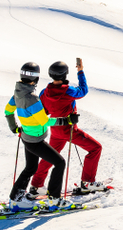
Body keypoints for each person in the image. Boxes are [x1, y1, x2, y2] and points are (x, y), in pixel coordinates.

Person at [28, 57, 104, 196]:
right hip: (69, 130)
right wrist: (80, 72)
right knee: (95, 148)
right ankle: (88, 182)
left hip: (55, 130)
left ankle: (36, 185)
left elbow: (43, 112)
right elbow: (83, 90)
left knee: (50, 157)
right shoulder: (68, 91)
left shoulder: (44, 92)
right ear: (65, 74)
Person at [4, 62, 66, 206]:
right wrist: (65, 120)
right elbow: (45, 121)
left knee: (31, 168)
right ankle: (55, 200)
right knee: (59, 163)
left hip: (27, 137)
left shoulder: (18, 94)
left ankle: (15, 200)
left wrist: (14, 128)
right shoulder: (32, 98)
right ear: (36, 79)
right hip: (35, 141)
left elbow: (8, 111)